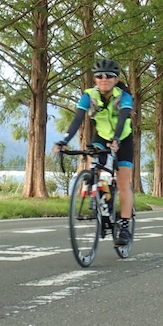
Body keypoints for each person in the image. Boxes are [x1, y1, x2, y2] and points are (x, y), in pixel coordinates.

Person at [53, 58, 134, 246]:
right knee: (93, 167)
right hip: (101, 136)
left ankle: (124, 226)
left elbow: (122, 120)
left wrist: (117, 139)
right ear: (94, 79)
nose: (103, 79)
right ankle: (96, 196)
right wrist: (64, 140)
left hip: (123, 138)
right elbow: (77, 120)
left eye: (108, 76)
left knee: (122, 182)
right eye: (99, 76)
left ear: (115, 79)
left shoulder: (124, 97)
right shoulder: (88, 96)